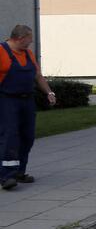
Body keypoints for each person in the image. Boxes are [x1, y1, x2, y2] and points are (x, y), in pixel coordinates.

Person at [0, 25, 56, 190]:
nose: (30, 43)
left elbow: (38, 76)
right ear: (19, 38)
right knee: (10, 136)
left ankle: (19, 172)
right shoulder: (2, 52)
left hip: (27, 100)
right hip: (7, 100)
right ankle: (7, 176)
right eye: (28, 40)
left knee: (27, 137)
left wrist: (49, 92)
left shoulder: (28, 54)